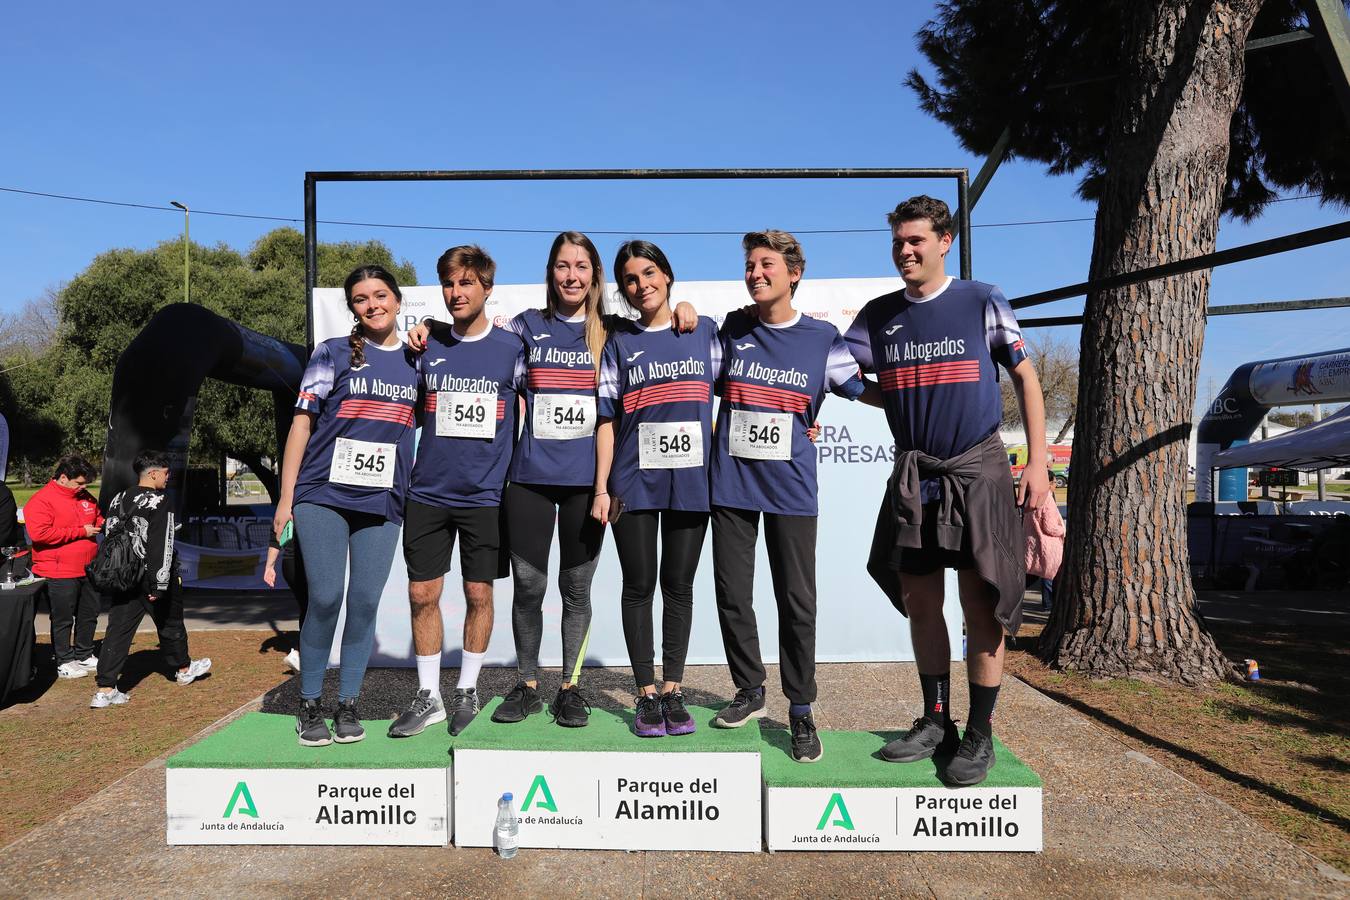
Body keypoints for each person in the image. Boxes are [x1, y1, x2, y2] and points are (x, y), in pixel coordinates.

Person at [404, 234, 696, 729]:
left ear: (594, 274)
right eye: (562, 266)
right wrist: (429, 326)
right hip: (530, 481)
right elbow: (476, 339)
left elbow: (662, 326)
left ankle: (571, 687)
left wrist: (685, 306)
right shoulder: (524, 329)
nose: (571, 276)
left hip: (588, 483)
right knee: (529, 588)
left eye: (581, 266)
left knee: (576, 590)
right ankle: (527, 683)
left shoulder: (615, 332)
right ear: (551, 272)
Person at [845, 195, 1049, 786]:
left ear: (944, 242)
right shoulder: (879, 314)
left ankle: (980, 732)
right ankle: (937, 720)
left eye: (916, 241)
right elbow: (837, 366)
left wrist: (1037, 461)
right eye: (898, 243)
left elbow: (1026, 378)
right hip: (916, 475)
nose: (905, 251)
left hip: (977, 468)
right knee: (919, 599)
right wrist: (888, 397)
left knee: (980, 604)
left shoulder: (981, 299)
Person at [708, 230, 867, 763]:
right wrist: (683, 307)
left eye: (766, 264)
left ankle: (801, 709)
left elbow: (865, 390)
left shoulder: (823, 338)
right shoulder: (732, 328)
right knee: (732, 593)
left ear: (794, 273)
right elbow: (687, 367)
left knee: (796, 603)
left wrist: (929, 395)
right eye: (749, 264)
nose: (755, 273)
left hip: (792, 489)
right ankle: (750, 690)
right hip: (730, 483)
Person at [274, 265, 419, 746]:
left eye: (381, 295)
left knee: (363, 602)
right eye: (361, 298)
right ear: (352, 308)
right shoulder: (332, 353)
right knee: (327, 598)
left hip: (382, 497)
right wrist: (285, 498)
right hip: (323, 495)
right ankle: (310, 701)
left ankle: (348, 704)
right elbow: (301, 425)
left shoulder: (421, 360)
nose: (373, 304)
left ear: (398, 301)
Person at [388, 245, 525, 739]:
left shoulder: (514, 348)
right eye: (448, 284)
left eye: (466, 283)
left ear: (487, 288)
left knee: (478, 593)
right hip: (427, 494)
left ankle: (467, 688)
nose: (455, 293)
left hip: (486, 499)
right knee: (422, 593)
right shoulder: (426, 346)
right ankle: (429, 697)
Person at [592, 240, 721, 737]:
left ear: (667, 276)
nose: (641, 284)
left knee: (680, 587)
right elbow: (606, 419)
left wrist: (804, 420)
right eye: (630, 278)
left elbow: (746, 390)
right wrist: (602, 487)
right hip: (633, 483)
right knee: (639, 586)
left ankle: (673, 688)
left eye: (649, 273)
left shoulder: (704, 330)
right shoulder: (619, 343)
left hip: (692, 482)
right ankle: (645, 695)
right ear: (623, 289)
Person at [90, 450, 212, 707]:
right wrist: (160, 582)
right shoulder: (160, 500)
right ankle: (183, 669)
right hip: (151, 574)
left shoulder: (118, 498)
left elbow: (111, 534)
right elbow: (162, 544)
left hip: (123, 574)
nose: (168, 478)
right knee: (170, 621)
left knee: (118, 630)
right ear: (153, 473)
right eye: (166, 473)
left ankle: (105, 689)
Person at [25, 454, 104, 679]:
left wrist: (104, 523)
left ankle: (84, 653)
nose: (84, 487)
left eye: (86, 483)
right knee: (62, 618)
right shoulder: (41, 500)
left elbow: (97, 518)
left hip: (88, 568)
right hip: (57, 571)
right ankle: (64, 660)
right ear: (63, 478)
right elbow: (39, 534)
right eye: (79, 482)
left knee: (89, 614)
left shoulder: (85, 496)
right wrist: (81, 532)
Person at [261, 532, 307, 672]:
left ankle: (301, 655)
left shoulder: (285, 511)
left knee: (307, 609)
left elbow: (276, 533)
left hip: (290, 563)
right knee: (313, 610)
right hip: (304, 563)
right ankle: (301, 655)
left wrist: (269, 566)